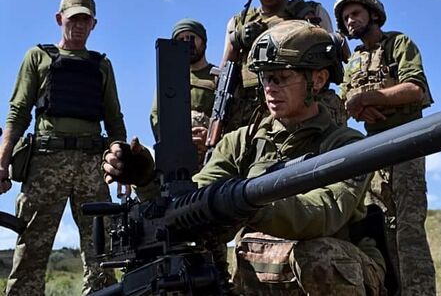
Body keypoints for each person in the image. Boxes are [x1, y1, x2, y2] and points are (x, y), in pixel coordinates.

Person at [104, 20, 386, 295]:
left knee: (319, 256)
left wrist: (250, 201)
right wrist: (147, 179)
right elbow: (191, 200)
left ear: (319, 80)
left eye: (282, 77)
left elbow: (324, 212)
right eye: (266, 78)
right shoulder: (241, 142)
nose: (270, 88)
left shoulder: (346, 145)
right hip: (262, 272)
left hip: (334, 270)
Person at [0, 0, 125, 295]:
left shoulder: (101, 65)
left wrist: (123, 167)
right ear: (60, 19)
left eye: (85, 20)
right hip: (46, 162)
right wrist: (2, 161)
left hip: (91, 165)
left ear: (94, 24)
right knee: (30, 252)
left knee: (102, 254)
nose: (79, 26)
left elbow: (114, 120)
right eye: (73, 19)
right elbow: (18, 112)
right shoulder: (38, 57)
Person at [335, 0, 435, 295]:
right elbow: (343, 105)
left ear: (373, 14)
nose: (350, 21)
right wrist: (358, 105)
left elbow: (415, 89)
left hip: (406, 143)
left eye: (355, 13)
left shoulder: (399, 44)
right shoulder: (353, 62)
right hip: (373, 151)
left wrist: (368, 98)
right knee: (380, 229)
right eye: (345, 18)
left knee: (409, 230)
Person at [221, 0, 346, 133]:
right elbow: (224, 74)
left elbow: (335, 61)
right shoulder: (238, 23)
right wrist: (236, 39)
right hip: (252, 118)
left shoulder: (311, 13)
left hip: (304, 115)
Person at [150, 18, 216, 160]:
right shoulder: (169, 78)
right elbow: (156, 115)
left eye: (191, 37)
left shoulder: (218, 76)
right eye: (181, 39)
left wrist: (212, 139)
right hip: (177, 154)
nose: (187, 42)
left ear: (203, 42)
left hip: (210, 152)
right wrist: (173, 140)